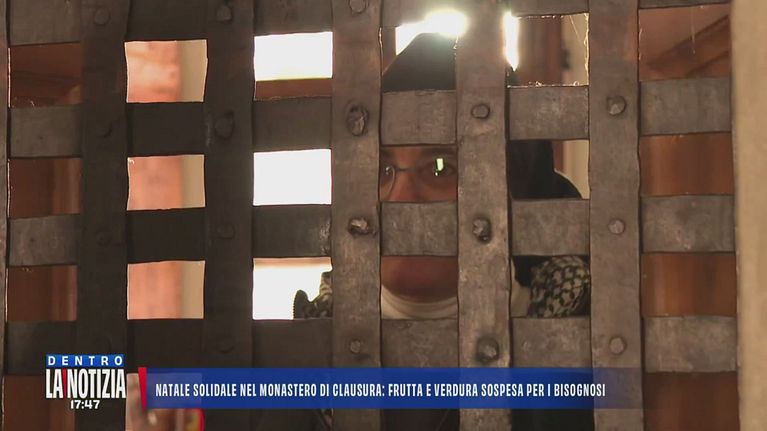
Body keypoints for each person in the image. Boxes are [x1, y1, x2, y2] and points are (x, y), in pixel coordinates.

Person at [292, 33, 593, 431]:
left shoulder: (586, 349)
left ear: (511, 189)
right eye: (382, 169)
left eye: (439, 167)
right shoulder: (302, 354)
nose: (399, 199)